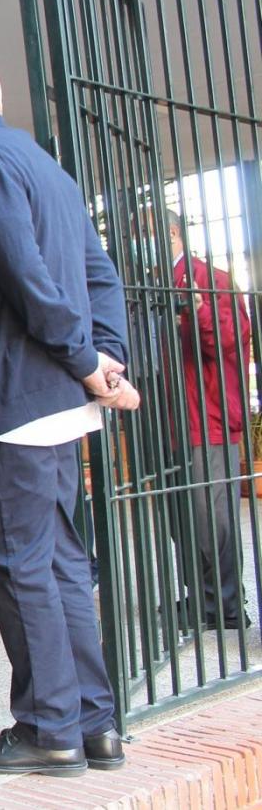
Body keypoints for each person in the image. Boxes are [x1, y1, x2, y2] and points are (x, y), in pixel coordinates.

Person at [0, 54, 141, 778]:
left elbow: (25, 275)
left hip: (5, 403)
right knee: (61, 563)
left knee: (22, 566)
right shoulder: (44, 166)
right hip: (49, 405)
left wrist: (84, 359)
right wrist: (105, 357)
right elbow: (97, 271)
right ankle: (93, 724)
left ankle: (48, 727)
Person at [167, 210, 251, 630]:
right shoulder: (164, 281)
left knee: (210, 519)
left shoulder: (207, 278)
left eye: (141, 235)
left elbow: (230, 337)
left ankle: (227, 608)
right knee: (183, 519)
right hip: (174, 420)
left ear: (173, 232)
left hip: (207, 419)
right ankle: (203, 600)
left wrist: (198, 311)